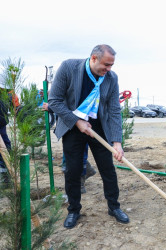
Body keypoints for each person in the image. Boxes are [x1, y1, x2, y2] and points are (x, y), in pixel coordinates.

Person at [48, 44, 128, 229]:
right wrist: (77, 121)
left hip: (98, 127)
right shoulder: (69, 68)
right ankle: (74, 210)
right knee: (73, 171)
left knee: (107, 169)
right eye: (106, 65)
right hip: (72, 126)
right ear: (93, 58)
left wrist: (117, 142)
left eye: (111, 66)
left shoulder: (111, 78)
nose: (109, 70)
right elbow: (55, 101)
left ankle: (114, 207)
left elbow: (114, 110)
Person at [41, 102, 96, 194]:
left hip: (80, 125)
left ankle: (80, 182)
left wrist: (51, 107)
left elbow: (67, 106)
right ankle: (86, 171)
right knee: (70, 155)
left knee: (80, 155)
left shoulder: (77, 91)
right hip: (68, 127)